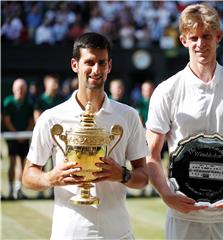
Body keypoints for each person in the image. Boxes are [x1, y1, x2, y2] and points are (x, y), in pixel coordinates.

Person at [146, 4, 223, 239]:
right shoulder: (166, 90)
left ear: (218, 36)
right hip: (184, 216)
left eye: (207, 36)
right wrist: (166, 195)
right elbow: (151, 154)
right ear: (183, 40)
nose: (200, 44)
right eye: (194, 37)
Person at [22, 32, 149, 239]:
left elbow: (143, 177)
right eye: (89, 62)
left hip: (118, 233)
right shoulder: (51, 118)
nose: (96, 70)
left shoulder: (128, 116)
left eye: (102, 63)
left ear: (109, 66)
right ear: (75, 65)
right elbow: (28, 175)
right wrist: (49, 177)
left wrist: (123, 174)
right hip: (69, 233)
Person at [3, 78, 34, 199]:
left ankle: (18, 190)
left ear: (25, 90)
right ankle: (11, 191)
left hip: (24, 137)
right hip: (12, 137)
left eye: (22, 88)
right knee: (12, 162)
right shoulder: (8, 102)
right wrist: (15, 133)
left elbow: (31, 120)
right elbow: (6, 120)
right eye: (18, 88)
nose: (20, 90)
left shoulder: (29, 103)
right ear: (13, 89)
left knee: (22, 164)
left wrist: (24, 133)